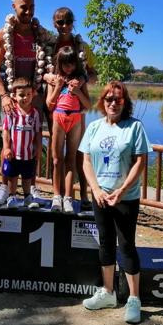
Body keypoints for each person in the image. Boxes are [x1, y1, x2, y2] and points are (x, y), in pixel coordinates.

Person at [79, 81, 150, 324]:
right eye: (108, 98)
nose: (112, 103)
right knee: (105, 243)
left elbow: (140, 162)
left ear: (125, 103)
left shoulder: (134, 127)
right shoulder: (94, 126)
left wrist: (121, 190)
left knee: (126, 245)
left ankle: (133, 298)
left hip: (125, 197)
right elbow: (86, 160)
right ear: (102, 102)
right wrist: (95, 189)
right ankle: (108, 292)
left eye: (118, 99)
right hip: (100, 196)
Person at [0, 0, 48, 204]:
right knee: (8, 143)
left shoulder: (39, 34)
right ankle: (5, 187)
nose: (28, 12)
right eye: (24, 7)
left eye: (32, 7)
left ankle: (31, 189)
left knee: (33, 143)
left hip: (34, 97)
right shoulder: (3, 34)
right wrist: (4, 95)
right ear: (13, 6)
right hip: (11, 98)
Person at [48, 7, 98, 210]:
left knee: (77, 154)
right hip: (56, 107)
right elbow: (41, 70)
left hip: (76, 110)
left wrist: (82, 82)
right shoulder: (49, 43)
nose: (64, 26)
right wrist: (50, 79)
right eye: (60, 22)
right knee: (56, 157)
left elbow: (94, 75)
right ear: (54, 24)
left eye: (68, 22)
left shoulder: (82, 47)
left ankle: (80, 196)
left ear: (73, 22)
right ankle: (56, 196)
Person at [46, 46, 91, 213]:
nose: (68, 67)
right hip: (58, 117)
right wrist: (58, 87)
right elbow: (49, 105)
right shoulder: (54, 79)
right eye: (65, 64)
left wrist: (78, 91)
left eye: (71, 64)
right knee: (57, 160)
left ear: (75, 64)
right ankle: (57, 196)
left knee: (70, 159)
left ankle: (68, 198)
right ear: (60, 63)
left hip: (75, 119)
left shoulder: (80, 80)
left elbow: (88, 105)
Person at [1, 77, 42, 208]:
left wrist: (38, 147)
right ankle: (12, 197)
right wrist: (6, 147)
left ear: (33, 94)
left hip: (28, 154)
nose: (25, 98)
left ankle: (27, 197)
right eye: (21, 95)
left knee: (27, 178)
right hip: (14, 153)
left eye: (28, 94)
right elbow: (6, 131)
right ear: (14, 96)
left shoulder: (35, 113)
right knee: (12, 177)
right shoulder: (12, 112)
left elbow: (37, 132)